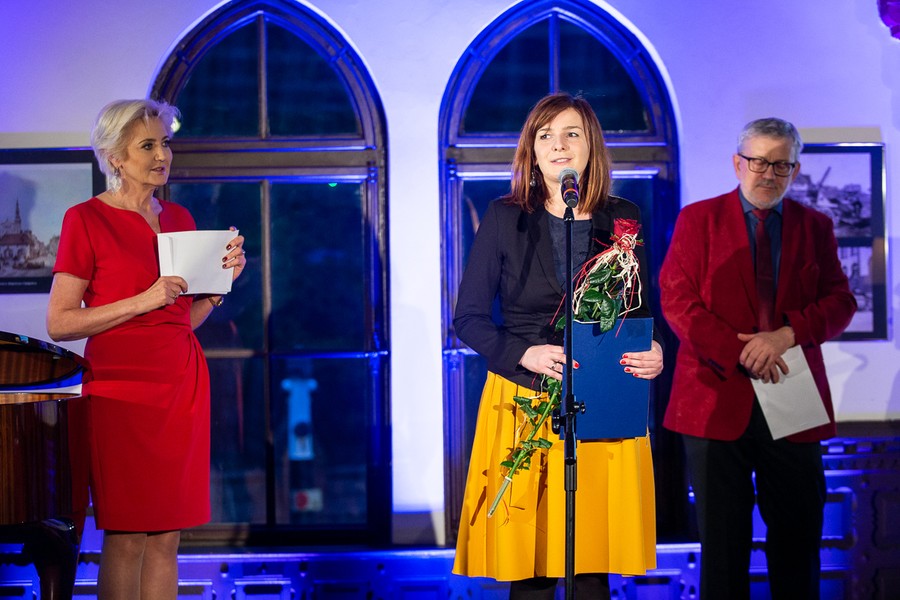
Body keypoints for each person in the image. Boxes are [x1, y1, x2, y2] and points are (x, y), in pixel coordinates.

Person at [451, 92, 663, 599]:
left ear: (591, 145)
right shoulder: (505, 217)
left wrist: (655, 349)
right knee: (534, 564)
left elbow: (638, 312)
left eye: (571, 133)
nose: (558, 145)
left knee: (591, 563)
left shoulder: (623, 217)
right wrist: (523, 353)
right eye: (545, 135)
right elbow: (468, 319)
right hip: (524, 398)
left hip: (602, 397)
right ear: (531, 149)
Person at [46, 99, 248, 599]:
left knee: (166, 536)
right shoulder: (85, 219)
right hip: (120, 392)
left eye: (166, 143)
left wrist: (216, 291)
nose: (163, 155)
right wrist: (144, 298)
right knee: (128, 534)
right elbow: (60, 323)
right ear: (115, 156)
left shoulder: (180, 217)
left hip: (181, 385)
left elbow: (177, 322)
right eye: (148, 145)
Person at [659, 118, 857, 599]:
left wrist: (786, 335)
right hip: (713, 396)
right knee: (723, 548)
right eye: (758, 162)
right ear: (737, 163)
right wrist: (745, 351)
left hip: (793, 392)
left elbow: (841, 302)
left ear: (795, 170)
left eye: (781, 165)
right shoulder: (697, 220)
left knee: (798, 542)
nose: (768, 173)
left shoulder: (816, 226)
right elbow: (677, 302)